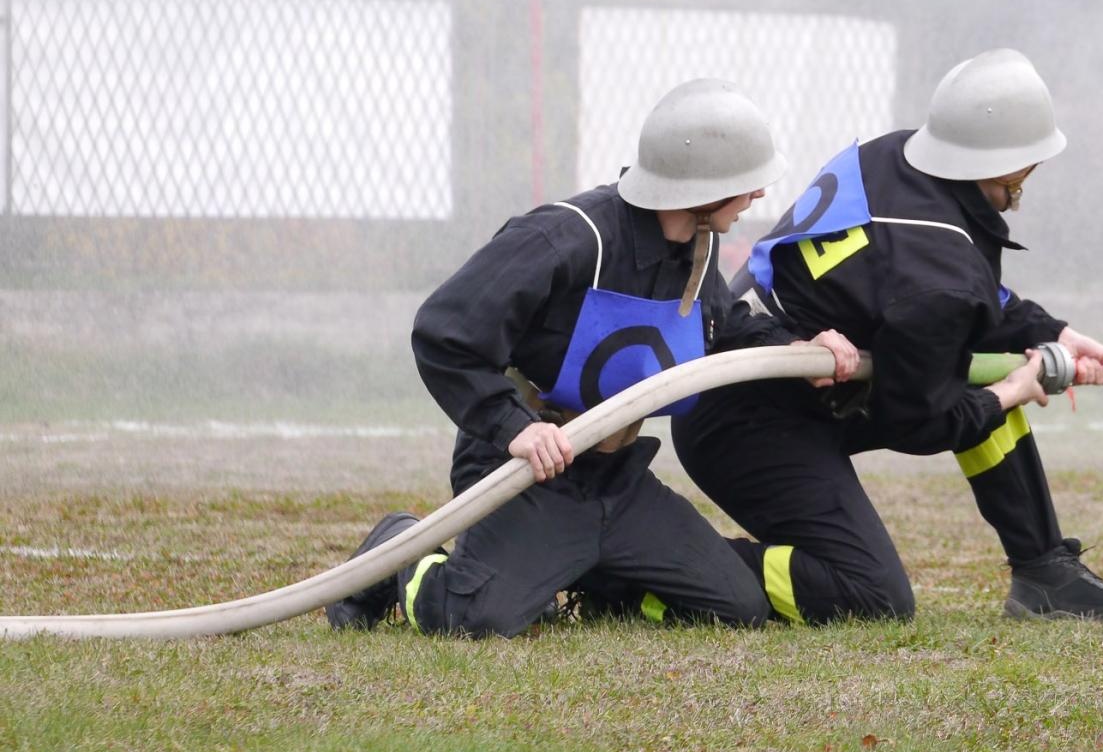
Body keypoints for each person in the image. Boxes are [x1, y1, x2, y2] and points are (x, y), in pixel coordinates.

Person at [327, 77, 857, 637]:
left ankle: (587, 575)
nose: (759, 195)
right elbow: (445, 331)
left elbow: (725, 329)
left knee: (738, 606)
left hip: (614, 480)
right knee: (473, 619)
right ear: (701, 189)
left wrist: (797, 348)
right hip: (527, 473)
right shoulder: (565, 238)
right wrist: (514, 427)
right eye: (745, 183)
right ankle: (401, 552)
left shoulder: (695, 247)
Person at [672, 49, 1103, 624]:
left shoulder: (895, 158)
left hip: (776, 385)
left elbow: (938, 291)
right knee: (871, 597)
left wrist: (1052, 331)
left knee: (974, 382)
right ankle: (664, 569)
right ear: (1015, 167)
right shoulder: (939, 278)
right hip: (743, 426)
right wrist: (1013, 389)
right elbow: (919, 419)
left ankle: (1045, 575)